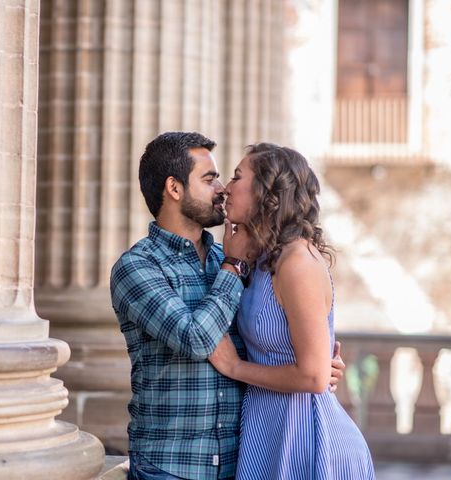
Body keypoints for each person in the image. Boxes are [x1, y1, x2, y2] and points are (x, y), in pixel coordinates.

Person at [110, 132, 345, 480]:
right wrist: (233, 267)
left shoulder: (234, 259)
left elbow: (266, 338)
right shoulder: (138, 268)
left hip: (243, 461)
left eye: (226, 177)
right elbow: (196, 340)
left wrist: (314, 366)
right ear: (174, 189)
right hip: (172, 466)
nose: (221, 188)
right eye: (209, 179)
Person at [209, 143, 375, 479]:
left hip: (307, 440)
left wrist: (234, 366)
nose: (226, 187)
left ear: (265, 192)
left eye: (237, 177)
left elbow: (314, 376)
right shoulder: (260, 259)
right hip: (268, 430)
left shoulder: (297, 262)